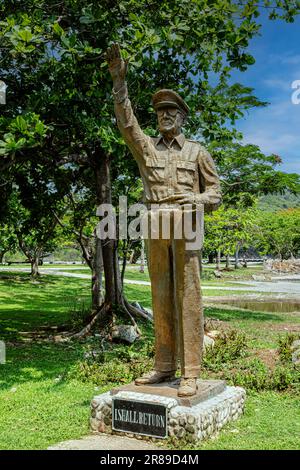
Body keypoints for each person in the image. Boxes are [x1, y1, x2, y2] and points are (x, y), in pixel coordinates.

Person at [106, 43, 221, 397]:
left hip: (187, 222)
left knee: (189, 294)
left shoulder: (197, 151)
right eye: (160, 112)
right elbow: (127, 123)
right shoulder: (147, 148)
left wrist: (197, 198)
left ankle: (192, 371)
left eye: (171, 111)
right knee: (160, 294)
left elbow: (215, 193)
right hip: (156, 220)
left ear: (182, 117)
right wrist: (119, 80)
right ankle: (163, 366)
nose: (164, 116)